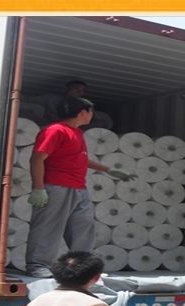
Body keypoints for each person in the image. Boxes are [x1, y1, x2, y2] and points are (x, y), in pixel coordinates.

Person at [25, 95, 133, 278]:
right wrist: (38, 188)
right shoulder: (55, 131)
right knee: (48, 227)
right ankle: (37, 265)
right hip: (56, 186)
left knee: (83, 228)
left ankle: (83, 268)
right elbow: (37, 158)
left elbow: (79, 159)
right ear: (83, 112)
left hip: (79, 188)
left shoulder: (76, 133)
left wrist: (108, 170)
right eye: (91, 112)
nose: (92, 115)